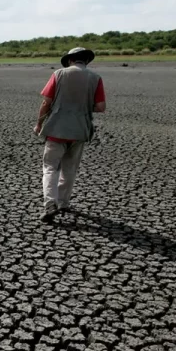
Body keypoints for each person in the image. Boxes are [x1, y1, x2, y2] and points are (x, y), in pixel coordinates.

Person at [34, 47, 106, 222]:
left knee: (50, 167)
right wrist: (81, 107)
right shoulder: (95, 78)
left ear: (70, 60)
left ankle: (50, 204)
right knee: (70, 169)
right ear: (85, 61)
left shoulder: (59, 74)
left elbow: (46, 102)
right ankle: (63, 202)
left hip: (57, 130)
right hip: (79, 131)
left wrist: (39, 124)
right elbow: (100, 107)